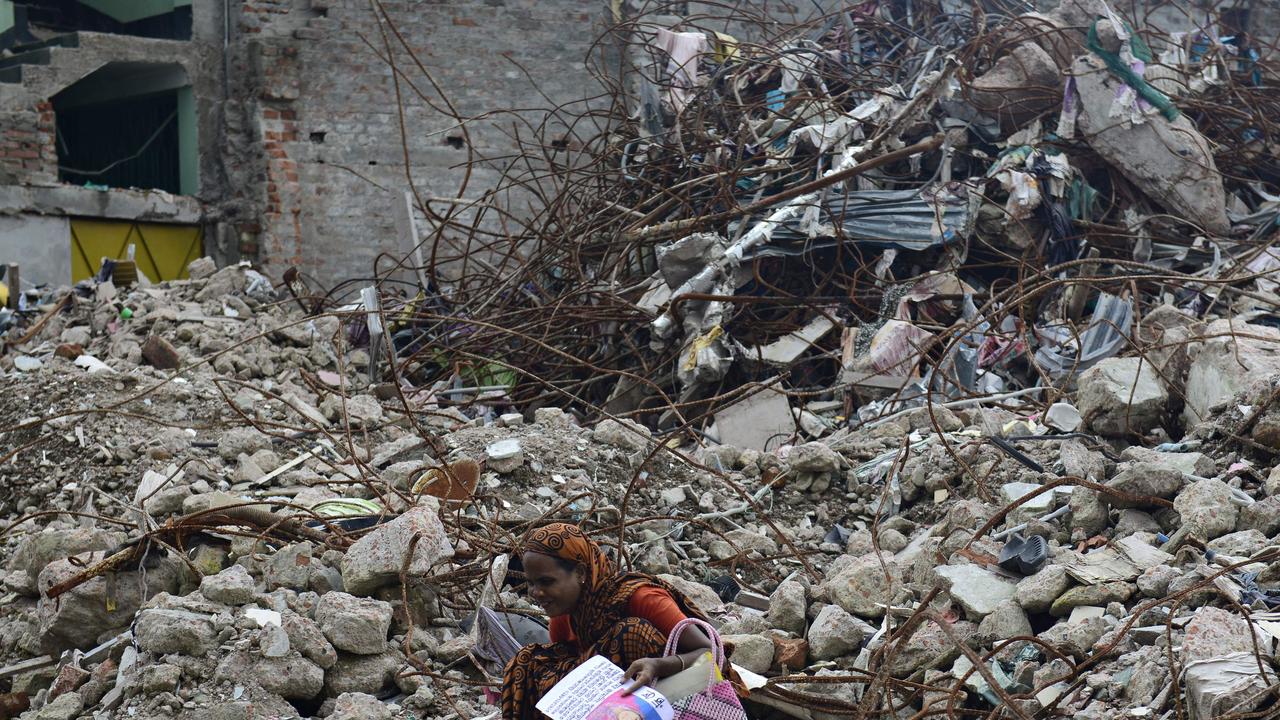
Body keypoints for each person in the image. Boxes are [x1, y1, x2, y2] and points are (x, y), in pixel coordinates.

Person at [501, 523, 721, 720]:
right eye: (530, 583)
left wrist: (659, 665)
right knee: (527, 662)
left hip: (675, 697)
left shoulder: (640, 598)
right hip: (614, 708)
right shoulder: (564, 616)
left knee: (631, 633)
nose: (536, 593)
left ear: (580, 572)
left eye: (546, 581)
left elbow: (711, 651)